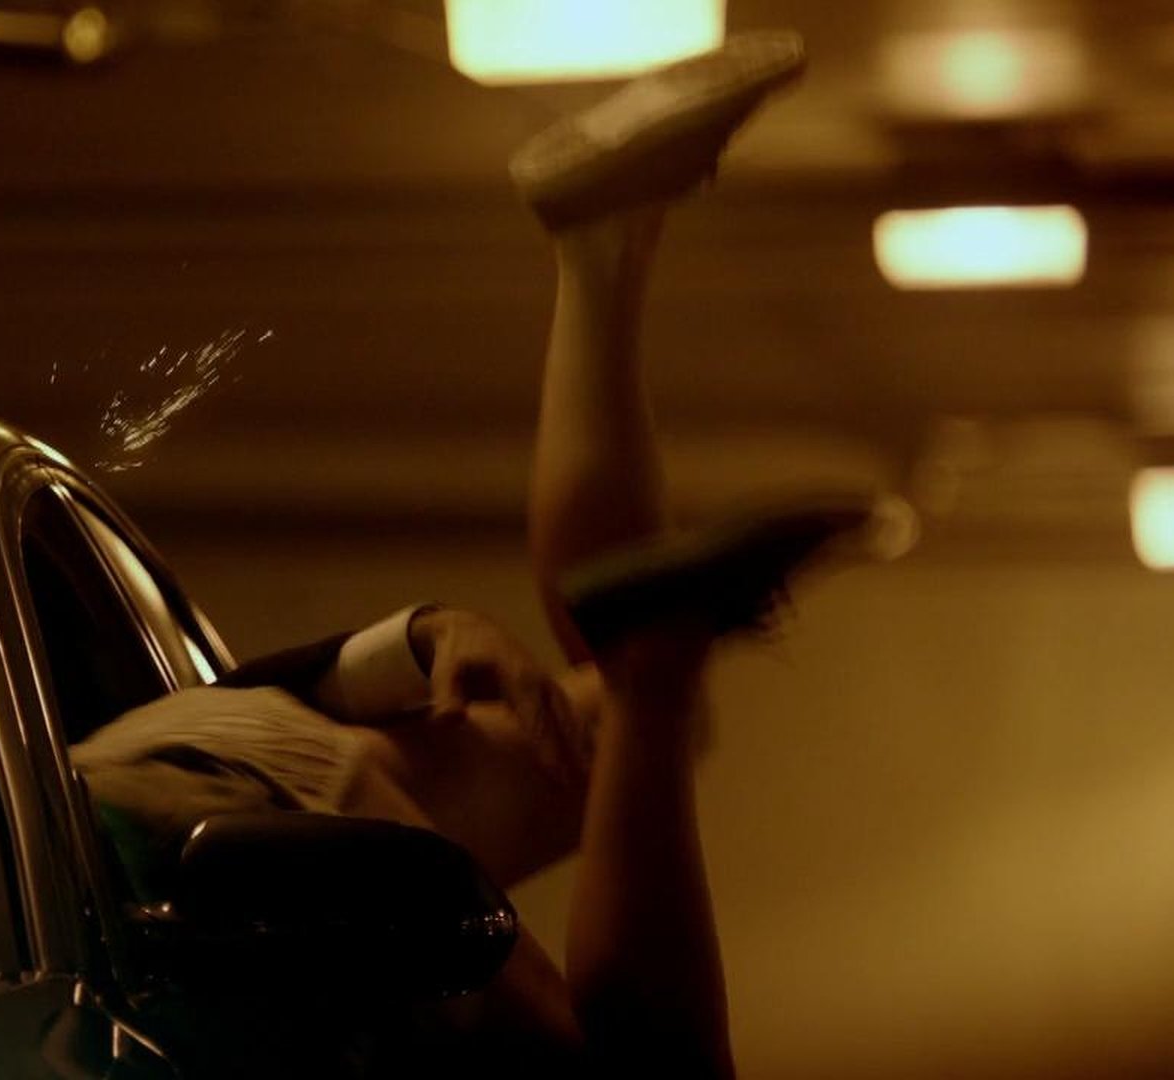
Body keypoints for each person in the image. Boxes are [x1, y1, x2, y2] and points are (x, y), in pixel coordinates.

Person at [74, 29, 907, 1077]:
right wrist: (403, 648)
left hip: (157, 839)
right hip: (194, 751)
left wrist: (420, 641)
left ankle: (655, 645)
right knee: (622, 732)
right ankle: (604, 242)